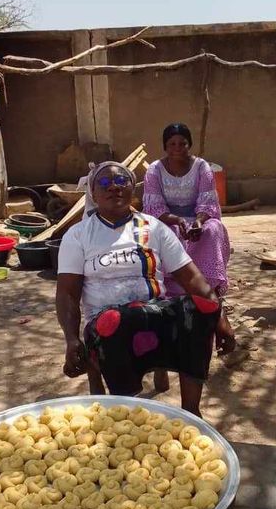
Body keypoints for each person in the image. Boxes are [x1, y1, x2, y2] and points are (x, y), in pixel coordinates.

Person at [56, 161, 235, 416]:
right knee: (117, 322)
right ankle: (127, 415)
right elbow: (67, 293)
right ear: (93, 194)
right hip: (107, 321)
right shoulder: (78, 235)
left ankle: (191, 413)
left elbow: (192, 279)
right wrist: (71, 339)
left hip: (154, 311)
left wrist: (219, 317)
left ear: (133, 189)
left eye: (121, 181)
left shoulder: (154, 227)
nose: (114, 188)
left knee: (194, 311)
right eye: (104, 183)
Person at [143, 123, 230, 298]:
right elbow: (155, 208)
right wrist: (179, 221)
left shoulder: (202, 167)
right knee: (167, 232)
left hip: (198, 218)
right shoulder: (155, 170)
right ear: (165, 147)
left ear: (189, 144)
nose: (177, 148)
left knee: (213, 229)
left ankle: (208, 284)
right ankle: (174, 287)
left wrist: (197, 222)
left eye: (182, 144)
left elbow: (208, 201)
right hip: (168, 219)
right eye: (172, 144)